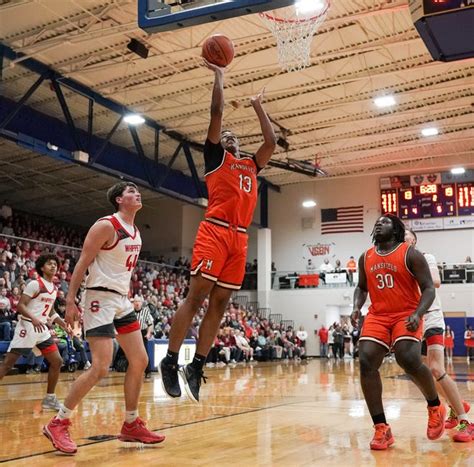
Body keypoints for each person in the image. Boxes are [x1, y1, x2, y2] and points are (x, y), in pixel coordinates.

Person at [159, 58, 276, 403]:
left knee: (221, 304)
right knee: (196, 298)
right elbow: (215, 114)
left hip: (240, 238)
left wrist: (258, 106)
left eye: (234, 137)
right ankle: (169, 360)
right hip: (215, 231)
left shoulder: (251, 165)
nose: (230, 137)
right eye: (225, 136)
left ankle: (196, 364)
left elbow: (269, 141)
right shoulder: (215, 159)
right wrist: (220, 77)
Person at [43, 182, 165, 455]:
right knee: (100, 366)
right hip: (98, 297)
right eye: (132, 191)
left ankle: (131, 424)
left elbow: (119, 270)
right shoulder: (107, 225)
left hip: (120, 300)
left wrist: (128, 295)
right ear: (120, 199)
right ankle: (58, 421)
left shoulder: (135, 234)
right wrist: (71, 300)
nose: (138, 194)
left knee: (141, 360)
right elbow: (83, 261)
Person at [351, 214, 445, 450]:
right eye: (377, 222)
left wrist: (418, 312)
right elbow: (361, 288)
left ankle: (435, 407)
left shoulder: (410, 253)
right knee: (366, 361)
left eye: (385, 222)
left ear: (396, 229)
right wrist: (355, 307)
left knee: (409, 358)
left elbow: (428, 289)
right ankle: (381, 428)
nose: (378, 224)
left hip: (406, 313)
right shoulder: (366, 256)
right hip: (378, 315)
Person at [405, 228, 472, 442]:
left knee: (436, 368)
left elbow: (434, 281)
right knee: (422, 373)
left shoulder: (425, 257)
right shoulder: (399, 263)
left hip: (431, 316)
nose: (402, 238)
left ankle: (466, 421)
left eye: (405, 235)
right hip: (414, 321)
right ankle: (454, 406)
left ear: (414, 240)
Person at [0, 254, 68, 410]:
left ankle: (50, 399)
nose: (53, 266)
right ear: (42, 267)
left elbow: (50, 311)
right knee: (7, 365)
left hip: (41, 329)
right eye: (50, 264)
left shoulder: (54, 288)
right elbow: (21, 306)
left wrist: (63, 324)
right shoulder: (34, 284)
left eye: (55, 264)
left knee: (57, 361)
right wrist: (34, 318)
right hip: (28, 326)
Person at [134, 296, 154, 379]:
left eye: (139, 301)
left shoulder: (145, 311)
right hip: (133, 333)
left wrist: (149, 333)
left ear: (141, 303)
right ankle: (134, 372)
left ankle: (148, 371)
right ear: (134, 303)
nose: (137, 303)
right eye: (136, 302)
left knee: (144, 353)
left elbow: (150, 323)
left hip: (142, 332)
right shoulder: (130, 312)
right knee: (133, 354)